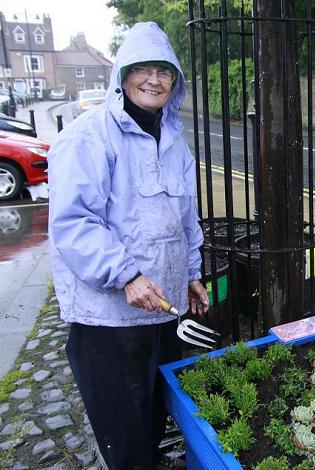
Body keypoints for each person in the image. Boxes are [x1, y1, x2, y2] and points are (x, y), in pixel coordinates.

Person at [48, 22, 209, 469]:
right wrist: (127, 276)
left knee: (154, 419)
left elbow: (184, 218)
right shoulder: (88, 137)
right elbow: (75, 223)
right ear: (122, 75)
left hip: (161, 311)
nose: (153, 80)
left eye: (164, 71)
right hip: (109, 319)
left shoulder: (174, 141)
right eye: (143, 70)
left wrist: (191, 275)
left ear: (174, 82)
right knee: (124, 433)